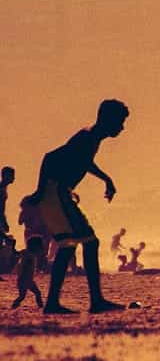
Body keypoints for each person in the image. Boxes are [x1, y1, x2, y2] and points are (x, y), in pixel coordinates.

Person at [24, 99, 130, 314]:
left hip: (61, 193)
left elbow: (83, 162)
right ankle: (95, 301)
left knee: (68, 245)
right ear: (107, 119)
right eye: (120, 122)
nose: (122, 127)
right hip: (56, 192)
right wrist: (40, 189)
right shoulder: (87, 136)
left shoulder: (92, 139)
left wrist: (106, 179)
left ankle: (55, 303)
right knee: (90, 242)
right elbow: (50, 157)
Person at [11, 235, 44, 310]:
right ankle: (41, 307)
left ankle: (41, 306)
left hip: (27, 280)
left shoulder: (25, 252)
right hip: (25, 280)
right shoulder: (29, 255)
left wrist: (13, 245)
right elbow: (24, 264)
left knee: (32, 294)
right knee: (24, 296)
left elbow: (15, 252)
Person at [0, 166, 14, 242]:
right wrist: (4, 221)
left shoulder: (3, 189)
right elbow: (1, 208)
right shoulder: (1, 190)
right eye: (12, 175)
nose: (14, 178)